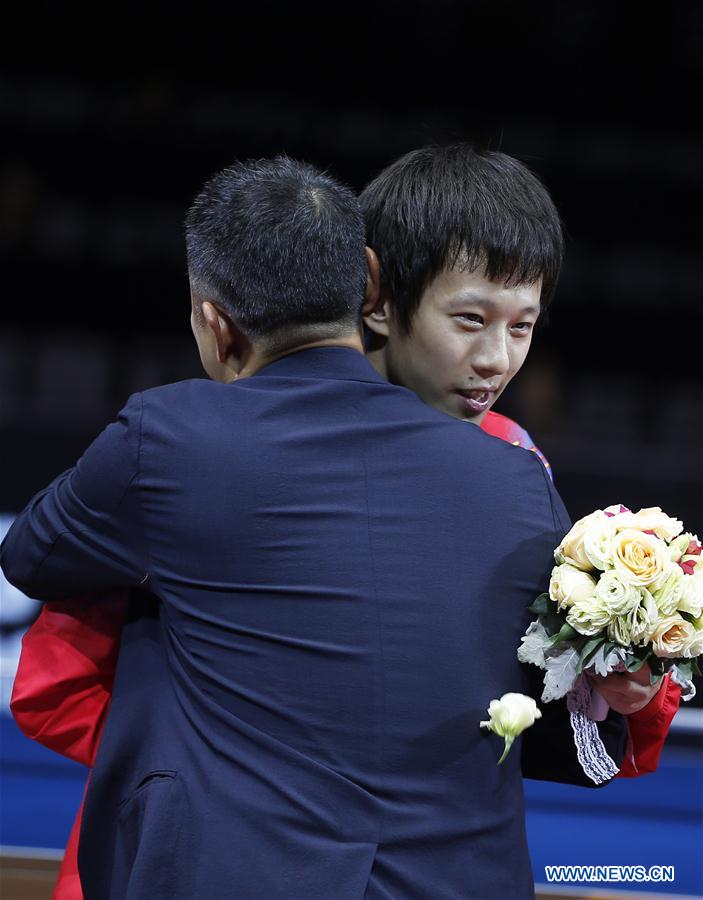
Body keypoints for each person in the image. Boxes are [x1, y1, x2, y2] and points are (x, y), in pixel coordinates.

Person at [2, 154, 627, 900]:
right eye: (468, 319)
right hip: (218, 843)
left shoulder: (517, 468)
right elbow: (68, 675)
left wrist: (615, 684)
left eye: (520, 326)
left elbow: (547, 727)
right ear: (375, 295)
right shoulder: (201, 446)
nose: (493, 357)